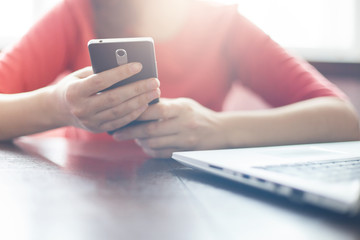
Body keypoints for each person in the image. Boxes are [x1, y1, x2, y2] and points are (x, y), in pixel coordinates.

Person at [0, 0, 359, 158]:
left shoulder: (226, 26)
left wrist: (220, 129)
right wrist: (58, 105)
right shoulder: (78, 12)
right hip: (83, 199)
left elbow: (344, 120)